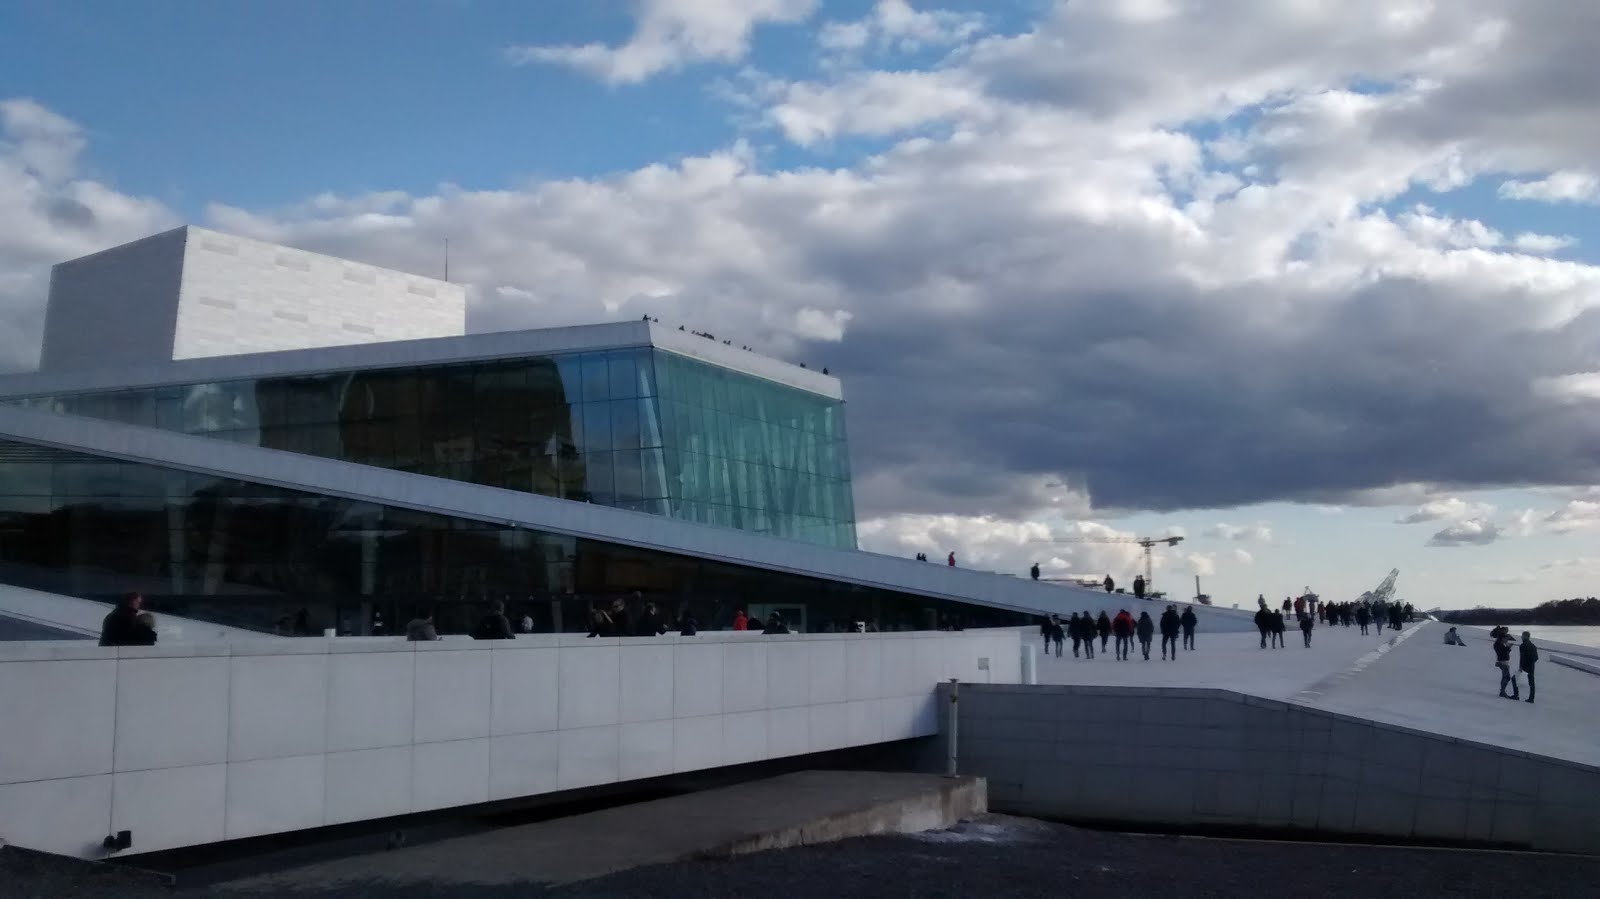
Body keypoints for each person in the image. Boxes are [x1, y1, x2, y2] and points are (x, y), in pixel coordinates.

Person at [1493, 629, 1519, 700]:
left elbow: (1504, 652)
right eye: (1505, 639)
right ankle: (1502, 691)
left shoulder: (1500, 644)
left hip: (1503, 662)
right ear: (1502, 638)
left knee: (1505, 677)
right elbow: (1503, 652)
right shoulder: (1498, 644)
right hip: (1502, 662)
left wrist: (1507, 648)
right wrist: (1508, 648)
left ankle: (1502, 691)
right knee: (1506, 677)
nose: (1506, 640)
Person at [1519, 632, 1538, 704]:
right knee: (1531, 683)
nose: (1521, 637)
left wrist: (1521, 666)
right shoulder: (1533, 646)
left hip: (1525, 667)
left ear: (1526, 636)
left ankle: (1516, 695)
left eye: (1522, 636)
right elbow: (1536, 657)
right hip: (1531, 667)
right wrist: (1531, 663)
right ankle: (1531, 698)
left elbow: (1522, 658)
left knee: (1515, 680)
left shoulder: (1522, 646)